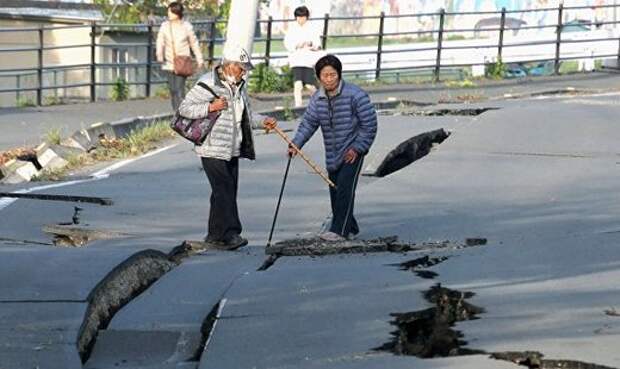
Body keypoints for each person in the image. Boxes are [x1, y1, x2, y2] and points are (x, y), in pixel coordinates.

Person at [264, 55, 377, 242]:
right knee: (335, 189)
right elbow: (308, 123)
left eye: (333, 75)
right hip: (333, 152)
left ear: (339, 75)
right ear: (318, 77)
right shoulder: (318, 99)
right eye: (325, 76)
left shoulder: (356, 95)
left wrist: (358, 148)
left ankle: (339, 231)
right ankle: (351, 226)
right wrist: (296, 143)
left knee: (345, 190)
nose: (330, 79)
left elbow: (369, 125)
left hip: (353, 151)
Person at [179, 45, 276, 250]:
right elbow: (184, 108)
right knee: (224, 190)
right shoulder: (207, 84)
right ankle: (231, 233)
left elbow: (246, 117)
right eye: (242, 68)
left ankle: (215, 235)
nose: (244, 72)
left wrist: (264, 121)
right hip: (211, 147)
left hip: (232, 147)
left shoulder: (239, 87)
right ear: (230, 66)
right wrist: (210, 107)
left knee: (223, 191)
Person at [156, 2, 204, 111]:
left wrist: (199, 59)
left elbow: (194, 43)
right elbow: (160, 41)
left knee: (179, 89)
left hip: (182, 62)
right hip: (169, 63)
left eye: (169, 11)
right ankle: (176, 113)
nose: (168, 13)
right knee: (173, 90)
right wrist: (159, 55)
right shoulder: (165, 26)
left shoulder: (186, 27)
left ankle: (182, 113)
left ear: (176, 12)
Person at [284, 5, 323, 108]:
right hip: (296, 60)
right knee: (298, 84)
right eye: (299, 17)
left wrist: (310, 44)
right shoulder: (292, 29)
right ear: (296, 17)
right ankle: (298, 106)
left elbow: (317, 44)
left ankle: (318, 101)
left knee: (309, 85)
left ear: (306, 17)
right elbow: (287, 43)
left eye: (303, 17)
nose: (301, 19)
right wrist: (297, 45)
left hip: (308, 60)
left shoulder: (312, 28)